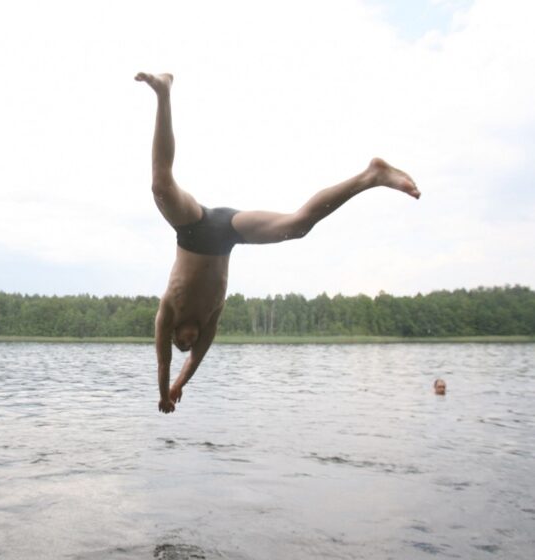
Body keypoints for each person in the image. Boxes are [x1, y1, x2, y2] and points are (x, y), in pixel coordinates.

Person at [135, 72, 421, 414]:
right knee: (298, 225)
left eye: (181, 340)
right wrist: (182, 387)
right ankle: (371, 176)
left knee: (160, 186)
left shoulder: (167, 312)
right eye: (188, 344)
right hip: (227, 235)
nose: (188, 341)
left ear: (175, 332)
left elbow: (165, 362)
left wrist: (165, 390)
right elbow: (194, 362)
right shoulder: (209, 322)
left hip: (193, 229)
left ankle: (163, 93)